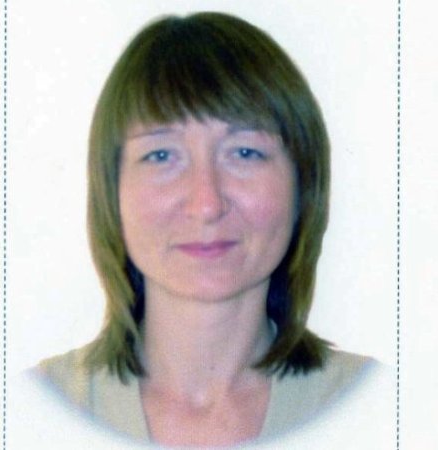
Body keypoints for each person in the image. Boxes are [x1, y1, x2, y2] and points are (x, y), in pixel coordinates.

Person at [34, 11, 383, 448]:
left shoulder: (387, 412)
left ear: (303, 185)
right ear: (111, 191)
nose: (206, 204)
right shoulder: (30, 413)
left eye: (245, 153)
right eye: (162, 156)